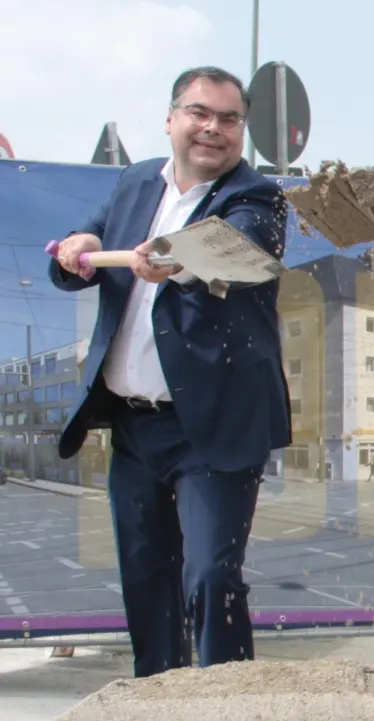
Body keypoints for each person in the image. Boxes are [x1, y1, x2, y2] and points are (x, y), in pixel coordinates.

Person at [46, 66, 290, 677]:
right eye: (199, 113)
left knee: (210, 575)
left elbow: (238, 252)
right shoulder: (134, 185)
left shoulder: (257, 197)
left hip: (215, 427)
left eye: (229, 119)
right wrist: (78, 243)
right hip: (134, 429)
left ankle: (228, 706)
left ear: (242, 132)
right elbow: (92, 241)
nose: (213, 128)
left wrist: (170, 257)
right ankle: (158, 712)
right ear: (171, 119)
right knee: (147, 581)